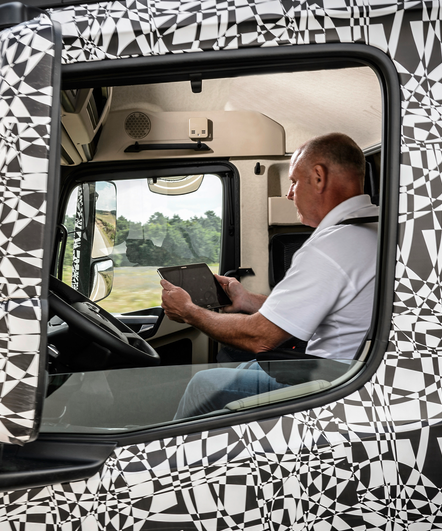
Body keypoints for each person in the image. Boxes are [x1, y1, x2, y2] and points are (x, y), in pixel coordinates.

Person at [160, 132, 378, 418]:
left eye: (294, 182)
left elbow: (258, 339)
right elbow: (318, 309)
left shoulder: (331, 246)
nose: (289, 194)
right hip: (350, 371)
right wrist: (247, 299)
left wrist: (189, 311)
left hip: (331, 385)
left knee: (204, 382)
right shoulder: (378, 227)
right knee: (241, 368)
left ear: (318, 177)